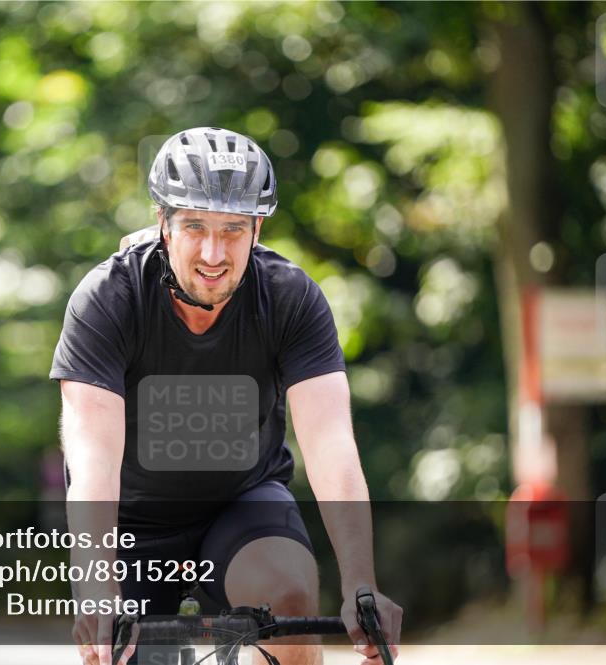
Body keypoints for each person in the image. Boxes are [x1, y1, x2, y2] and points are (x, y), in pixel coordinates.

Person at [50, 127, 402, 665]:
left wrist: (361, 585)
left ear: (257, 229)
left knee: (287, 600)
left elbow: (331, 443)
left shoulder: (290, 297)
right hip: (133, 525)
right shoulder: (109, 298)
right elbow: (91, 459)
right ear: (163, 223)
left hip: (243, 504)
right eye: (195, 226)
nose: (213, 253)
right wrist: (97, 589)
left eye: (233, 230)